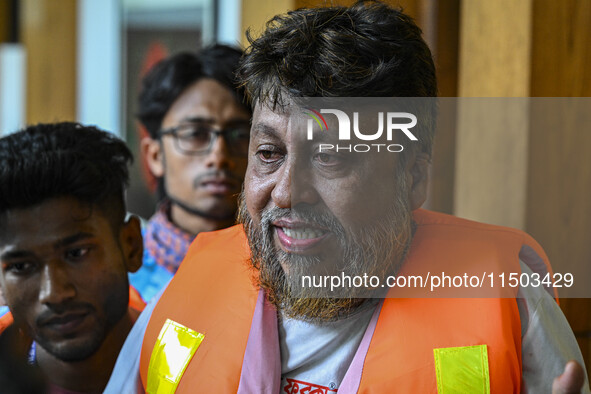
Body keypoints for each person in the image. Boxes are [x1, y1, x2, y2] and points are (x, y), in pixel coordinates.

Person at [134, 2, 588, 392]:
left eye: (331, 157)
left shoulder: (509, 300)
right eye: (269, 153)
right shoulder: (185, 288)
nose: (288, 193)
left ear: (412, 177)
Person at [0, 123, 144, 393]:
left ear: (131, 246)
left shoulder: (198, 361)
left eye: (76, 254)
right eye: (21, 266)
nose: (55, 293)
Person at [130, 44, 252, 301]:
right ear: (155, 156)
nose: (219, 156)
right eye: (196, 134)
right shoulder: (121, 278)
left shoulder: (285, 275)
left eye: (240, 135)